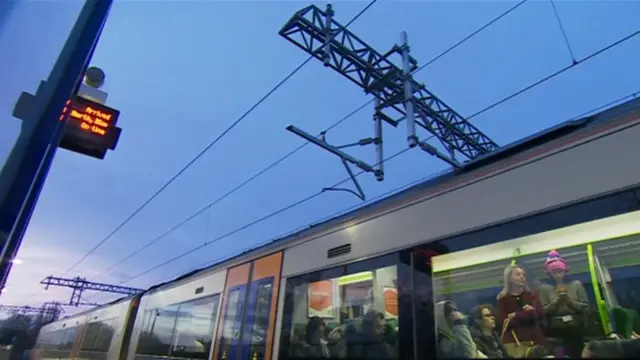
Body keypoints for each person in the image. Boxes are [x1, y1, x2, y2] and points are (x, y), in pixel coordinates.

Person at [537, 250, 589, 358]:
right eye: (554, 272)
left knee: (577, 353)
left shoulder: (576, 284)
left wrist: (569, 301)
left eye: (560, 271)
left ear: (565, 270)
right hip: (555, 328)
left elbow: (585, 306)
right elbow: (543, 310)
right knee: (559, 354)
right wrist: (556, 302)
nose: (558, 275)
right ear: (549, 273)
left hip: (575, 326)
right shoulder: (544, 288)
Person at [497, 264, 546, 358]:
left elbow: (540, 314)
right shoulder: (503, 299)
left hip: (535, 340)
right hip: (515, 343)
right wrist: (530, 313)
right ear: (509, 279)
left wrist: (516, 315)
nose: (522, 277)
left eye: (523, 275)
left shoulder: (531, 295)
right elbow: (506, 322)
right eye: (518, 274)